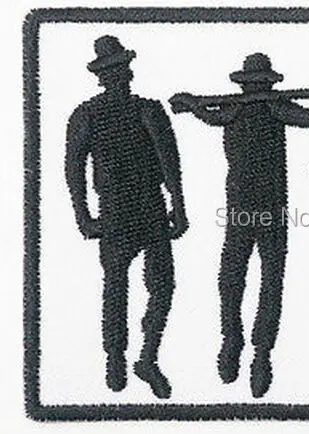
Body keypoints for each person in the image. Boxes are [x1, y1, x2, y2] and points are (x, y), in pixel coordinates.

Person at [176, 52, 309, 398]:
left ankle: (261, 352)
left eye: (258, 85)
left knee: (264, 278)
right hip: (245, 206)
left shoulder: (271, 107)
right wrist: (190, 104)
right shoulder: (237, 109)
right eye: (254, 85)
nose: (255, 90)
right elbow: (205, 113)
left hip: (267, 206)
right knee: (236, 277)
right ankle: (233, 339)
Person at [65, 35, 188, 399]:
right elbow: (74, 167)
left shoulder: (147, 110)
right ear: (104, 77)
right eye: (113, 72)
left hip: (148, 206)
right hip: (118, 209)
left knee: (160, 284)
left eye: (121, 70)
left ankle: (146, 357)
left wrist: (178, 205)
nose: (119, 77)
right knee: (118, 285)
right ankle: (116, 357)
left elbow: (169, 161)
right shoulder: (87, 114)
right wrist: (82, 214)